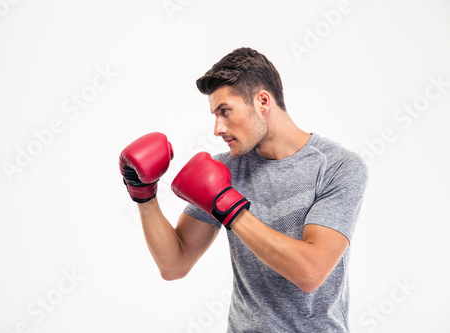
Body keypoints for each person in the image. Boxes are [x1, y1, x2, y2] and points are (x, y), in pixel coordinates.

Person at [120, 47, 368, 332]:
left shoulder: (338, 166)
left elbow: (310, 272)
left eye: (225, 111)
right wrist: (144, 194)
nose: (217, 128)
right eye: (215, 114)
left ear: (263, 101)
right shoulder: (226, 170)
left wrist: (226, 204)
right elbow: (175, 265)